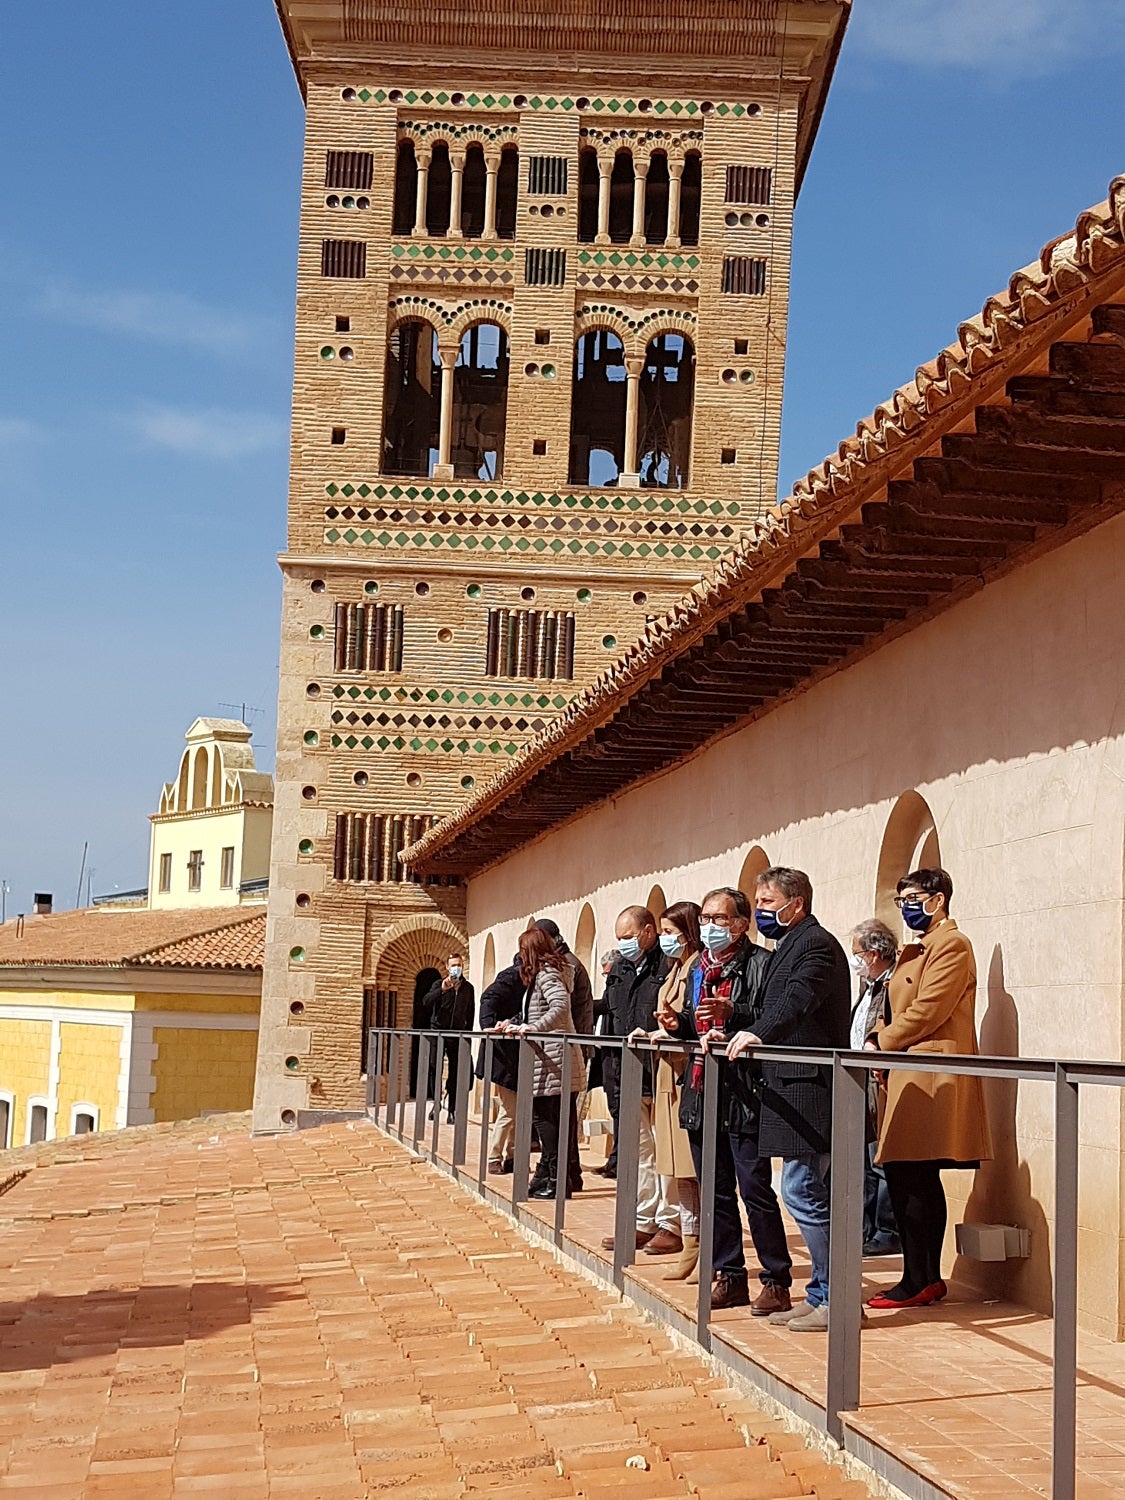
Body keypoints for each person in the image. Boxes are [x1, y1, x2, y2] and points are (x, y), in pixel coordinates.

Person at [727, 867, 851, 1332]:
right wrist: (735, 1024)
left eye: (767, 902)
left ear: (796, 904)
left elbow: (797, 1000)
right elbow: (769, 1004)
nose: (760, 910)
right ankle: (820, 1293)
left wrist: (757, 1033)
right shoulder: (789, 946)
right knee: (804, 1189)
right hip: (788, 1087)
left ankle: (837, 1299)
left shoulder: (816, 945)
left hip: (810, 1088)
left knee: (801, 1190)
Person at [865, 868, 993, 1309]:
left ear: (938, 900)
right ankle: (920, 1276)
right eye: (901, 900)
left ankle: (921, 1278)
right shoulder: (918, 948)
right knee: (906, 1175)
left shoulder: (952, 945)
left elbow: (929, 1009)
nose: (906, 908)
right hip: (908, 1070)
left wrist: (882, 1041)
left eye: (913, 898)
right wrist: (879, 1038)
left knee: (914, 1173)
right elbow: (896, 1006)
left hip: (930, 1071)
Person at [666, 888, 793, 1311]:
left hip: (745, 1092)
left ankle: (775, 1280)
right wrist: (676, 1024)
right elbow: (695, 1023)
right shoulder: (699, 967)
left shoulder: (762, 963)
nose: (710, 927)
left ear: (741, 924)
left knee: (755, 1189)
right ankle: (729, 1274)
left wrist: (732, 1013)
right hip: (703, 1089)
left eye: (719, 919)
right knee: (715, 1191)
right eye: (704, 919)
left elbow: (768, 1018)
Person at [599, 906, 681, 1255]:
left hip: (660, 1072)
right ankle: (642, 1221)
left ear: (649, 931)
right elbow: (612, 1018)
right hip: (626, 1074)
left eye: (629, 937)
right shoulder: (619, 969)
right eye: (620, 938)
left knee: (667, 1153)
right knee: (639, 1153)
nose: (624, 944)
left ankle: (671, 1223)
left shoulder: (668, 964)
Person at [645, 901, 704, 1281]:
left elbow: (693, 1022)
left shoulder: (698, 967)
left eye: (669, 932)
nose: (664, 939)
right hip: (669, 1074)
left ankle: (703, 1243)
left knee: (693, 1168)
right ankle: (690, 1241)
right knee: (678, 1170)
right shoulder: (676, 968)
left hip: (688, 1077)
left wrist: (671, 1031)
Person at [495, 926, 574, 1199]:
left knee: (545, 1119)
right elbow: (535, 1011)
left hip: (552, 1057)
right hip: (547, 1056)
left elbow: (560, 1006)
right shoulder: (543, 974)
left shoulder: (547, 974)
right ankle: (548, 1174)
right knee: (545, 1118)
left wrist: (534, 1028)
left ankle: (556, 1179)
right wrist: (513, 1023)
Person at [849, 919, 901, 1257]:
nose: (854, 960)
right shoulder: (869, 985)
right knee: (864, 1160)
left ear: (873, 953)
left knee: (880, 1157)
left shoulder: (893, 984)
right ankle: (864, 1229)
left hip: (879, 1077)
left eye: (857, 953)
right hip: (859, 1075)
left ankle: (887, 1230)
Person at [534, 918, 594, 1194]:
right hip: (567, 1047)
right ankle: (567, 1174)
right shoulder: (562, 963)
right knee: (560, 1118)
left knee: (559, 1119)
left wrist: (535, 1028)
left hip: (566, 1048)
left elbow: (563, 1008)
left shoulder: (564, 965)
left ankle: (564, 1176)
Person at [476, 953, 523, 1174]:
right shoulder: (512, 977)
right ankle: (494, 1156)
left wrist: (514, 1021)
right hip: (504, 1054)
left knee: (519, 1109)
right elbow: (488, 998)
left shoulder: (530, 979)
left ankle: (513, 1156)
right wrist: (489, 1026)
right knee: (509, 1109)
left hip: (518, 1053)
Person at [423, 954, 476, 1122]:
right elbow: (426, 1002)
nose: (456, 968)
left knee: (455, 1071)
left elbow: (470, 1013)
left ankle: (452, 1109)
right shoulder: (439, 984)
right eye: (453, 965)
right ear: (447, 967)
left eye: (459, 965)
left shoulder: (468, 988)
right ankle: (436, 1102)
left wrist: (467, 1037)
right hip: (438, 1032)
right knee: (435, 1067)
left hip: (457, 1034)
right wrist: (442, 989)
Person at [591, 949, 620, 1176]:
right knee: (613, 1108)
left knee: (619, 1109)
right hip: (605, 1056)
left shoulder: (618, 986)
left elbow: (606, 1005)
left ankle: (617, 1161)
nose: (606, 977)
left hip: (616, 1056)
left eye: (608, 973)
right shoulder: (612, 986)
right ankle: (614, 1160)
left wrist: (584, 1005)